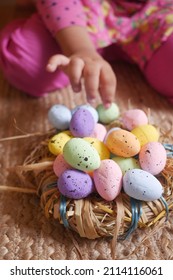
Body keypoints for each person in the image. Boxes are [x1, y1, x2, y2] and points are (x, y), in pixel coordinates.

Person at [0, 0, 173, 107]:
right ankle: (88, 50)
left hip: (157, 12)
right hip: (83, 11)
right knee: (26, 63)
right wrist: (80, 48)